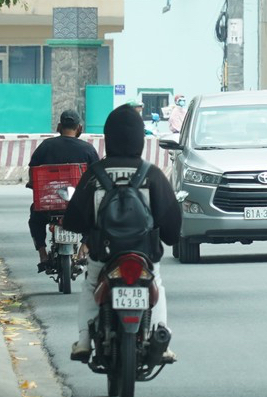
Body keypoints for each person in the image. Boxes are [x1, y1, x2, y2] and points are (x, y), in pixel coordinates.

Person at [62, 103, 182, 362]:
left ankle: (84, 341)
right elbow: (172, 222)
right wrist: (169, 238)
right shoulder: (152, 174)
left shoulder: (95, 175)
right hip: (145, 255)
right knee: (156, 284)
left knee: (90, 285)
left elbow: (72, 220)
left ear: (109, 137)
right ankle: (160, 336)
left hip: (104, 254)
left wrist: (88, 231)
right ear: (140, 138)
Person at [25, 110, 99, 275]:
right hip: (79, 206)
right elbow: (97, 175)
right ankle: (83, 249)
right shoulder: (88, 149)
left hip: (49, 205)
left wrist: (32, 183)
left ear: (59, 127)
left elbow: (33, 169)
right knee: (96, 217)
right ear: (79, 128)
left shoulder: (46, 146)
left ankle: (43, 255)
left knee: (35, 218)